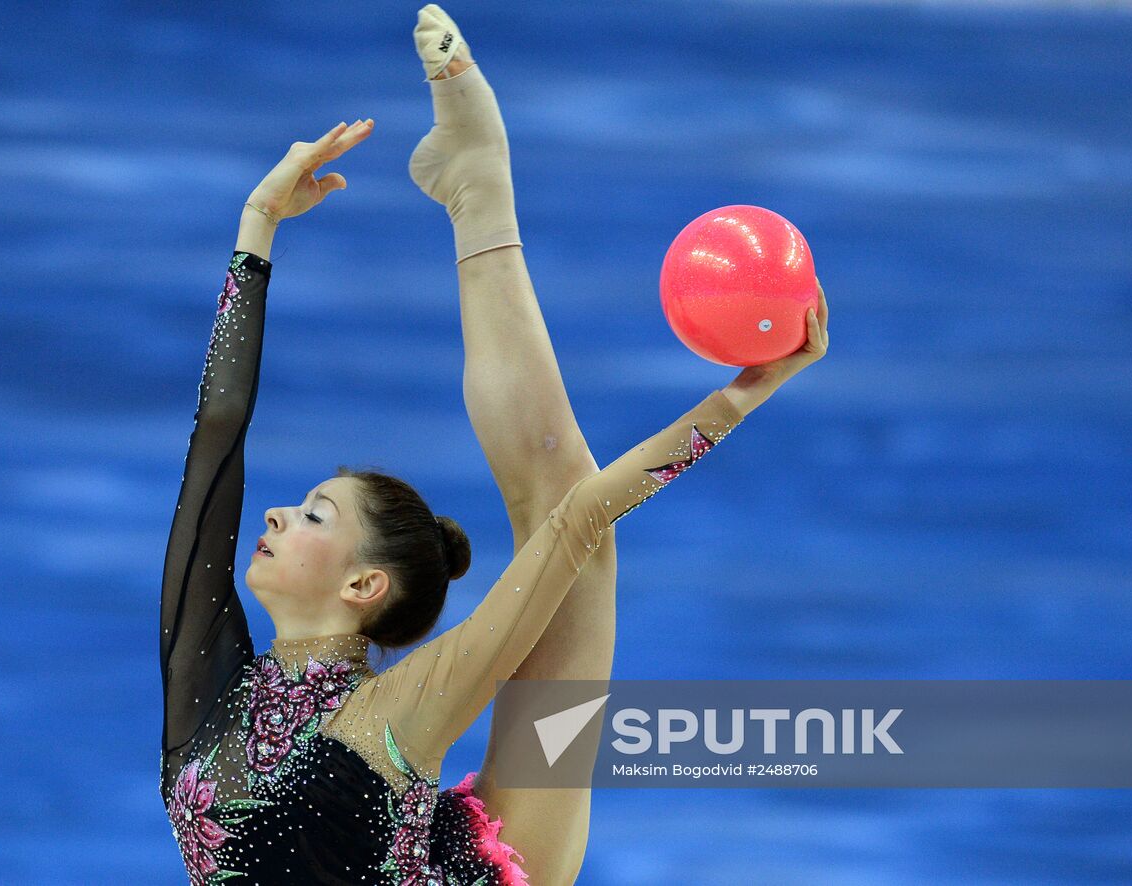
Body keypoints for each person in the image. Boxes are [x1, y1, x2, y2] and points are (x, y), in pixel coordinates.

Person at [159, 6, 829, 884]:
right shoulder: (212, 695)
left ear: (364, 586)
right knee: (568, 516)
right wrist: (256, 223)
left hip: (436, 837)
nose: (276, 512)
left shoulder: (389, 712)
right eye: (310, 505)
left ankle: (480, 192)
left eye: (313, 513)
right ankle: (477, 189)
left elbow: (580, 519)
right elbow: (217, 441)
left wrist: (740, 398)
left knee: (568, 511)